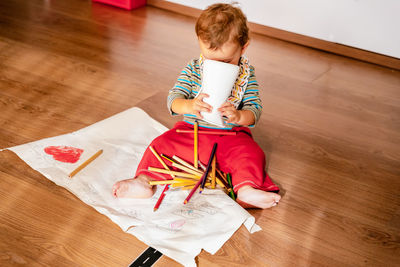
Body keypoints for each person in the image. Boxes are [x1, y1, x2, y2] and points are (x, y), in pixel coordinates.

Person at [112, 3, 281, 209]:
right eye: (211, 60)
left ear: (244, 47)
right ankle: (144, 181)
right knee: (160, 145)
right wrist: (190, 105)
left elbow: (254, 111)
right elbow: (173, 100)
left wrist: (238, 116)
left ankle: (245, 190)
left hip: (231, 136)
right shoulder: (194, 69)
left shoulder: (247, 74)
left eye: (226, 61)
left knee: (251, 153)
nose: (218, 66)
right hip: (190, 132)